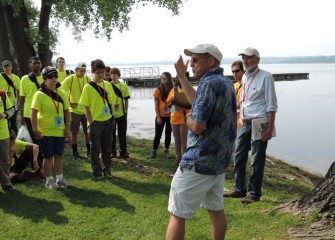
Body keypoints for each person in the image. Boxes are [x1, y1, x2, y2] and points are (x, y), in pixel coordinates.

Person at [166, 43, 236, 240]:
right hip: (219, 159)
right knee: (216, 208)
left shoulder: (208, 84)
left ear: (210, 61)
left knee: (177, 213)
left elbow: (197, 126)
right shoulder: (225, 82)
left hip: (199, 159)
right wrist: (181, 76)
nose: (192, 64)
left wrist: (187, 116)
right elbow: (198, 100)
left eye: (195, 60)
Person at [224, 47, 278, 204]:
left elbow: (272, 105)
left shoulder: (266, 77)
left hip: (260, 122)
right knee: (239, 156)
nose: (245, 61)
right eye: (243, 58)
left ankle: (254, 193)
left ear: (257, 59)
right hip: (245, 122)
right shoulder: (245, 77)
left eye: (249, 58)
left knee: (256, 160)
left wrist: (269, 128)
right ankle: (239, 189)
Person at [31, 66, 70, 189]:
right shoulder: (39, 94)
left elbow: (67, 112)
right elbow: (33, 113)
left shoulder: (62, 93)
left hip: (59, 130)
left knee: (59, 155)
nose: (53, 78)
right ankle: (49, 180)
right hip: (45, 130)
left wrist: (67, 128)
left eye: (55, 76)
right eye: (50, 76)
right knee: (48, 156)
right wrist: (35, 129)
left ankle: (60, 178)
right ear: (45, 79)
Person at [79, 59, 116, 180]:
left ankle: (107, 170)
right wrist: (91, 123)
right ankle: (97, 172)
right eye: (99, 72)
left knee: (107, 148)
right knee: (95, 149)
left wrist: (113, 117)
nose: (101, 74)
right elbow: (86, 107)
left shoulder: (108, 85)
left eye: (103, 72)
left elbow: (111, 103)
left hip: (109, 121)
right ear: (93, 71)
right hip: (96, 123)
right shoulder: (88, 87)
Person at [19, 56, 45, 172]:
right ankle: (38, 163)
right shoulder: (24, 79)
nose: (36, 65)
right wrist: (21, 115)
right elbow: (22, 98)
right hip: (29, 113)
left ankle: (43, 160)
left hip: (44, 113)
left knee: (43, 137)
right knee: (35, 139)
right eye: (34, 63)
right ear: (30, 65)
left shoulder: (45, 77)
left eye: (38, 63)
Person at [60, 62, 91, 160]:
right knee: (74, 132)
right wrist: (69, 102)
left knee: (88, 132)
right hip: (74, 111)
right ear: (76, 69)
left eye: (84, 71)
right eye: (81, 71)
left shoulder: (87, 79)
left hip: (86, 110)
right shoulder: (70, 79)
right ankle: (75, 153)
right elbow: (61, 91)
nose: (83, 73)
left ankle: (89, 152)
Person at [166, 72, 192, 166]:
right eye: (176, 78)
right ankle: (178, 158)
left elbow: (191, 105)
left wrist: (178, 103)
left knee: (183, 139)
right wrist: (172, 104)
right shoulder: (174, 90)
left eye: (179, 77)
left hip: (184, 118)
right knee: (176, 139)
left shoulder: (188, 90)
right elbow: (169, 106)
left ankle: (184, 159)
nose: (177, 80)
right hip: (174, 118)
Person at [105, 67, 131, 159]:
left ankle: (123, 152)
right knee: (111, 134)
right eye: (111, 74)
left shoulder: (124, 86)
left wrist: (126, 111)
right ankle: (113, 152)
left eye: (115, 74)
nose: (113, 76)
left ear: (118, 75)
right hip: (111, 114)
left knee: (122, 134)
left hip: (121, 114)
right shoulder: (107, 85)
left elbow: (126, 99)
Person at [147, 72, 173, 159]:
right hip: (160, 116)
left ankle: (166, 150)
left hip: (170, 116)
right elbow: (156, 104)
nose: (163, 79)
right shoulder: (158, 90)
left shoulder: (173, 90)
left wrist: (173, 115)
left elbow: (175, 104)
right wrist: (158, 116)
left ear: (169, 79)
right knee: (158, 134)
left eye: (164, 78)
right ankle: (154, 151)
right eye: (161, 78)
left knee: (168, 134)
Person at [0, 90, 15, 192]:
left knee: (4, 160)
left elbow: (11, 110)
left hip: (3, 133)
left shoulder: (2, 94)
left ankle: (6, 183)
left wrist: (4, 114)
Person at [0, 60, 20, 134]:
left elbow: (18, 90)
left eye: (9, 66)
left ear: (11, 67)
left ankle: (16, 140)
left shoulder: (16, 78)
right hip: (4, 103)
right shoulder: (0, 77)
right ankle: (8, 138)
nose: (7, 68)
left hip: (14, 102)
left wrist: (18, 101)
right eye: (5, 66)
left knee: (14, 122)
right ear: (3, 68)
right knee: (6, 122)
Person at [231, 60, 245, 139]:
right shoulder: (234, 85)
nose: (234, 73)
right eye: (233, 71)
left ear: (243, 71)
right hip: (233, 122)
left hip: (242, 122)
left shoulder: (246, 86)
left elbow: (241, 104)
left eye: (237, 71)